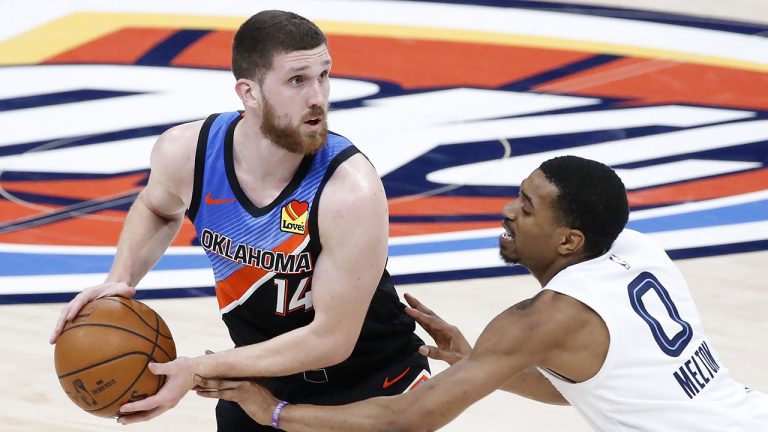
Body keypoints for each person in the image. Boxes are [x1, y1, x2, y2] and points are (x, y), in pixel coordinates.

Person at [49, 10, 429, 430]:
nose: (319, 96)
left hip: (370, 385)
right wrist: (120, 279)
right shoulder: (187, 154)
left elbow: (330, 340)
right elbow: (157, 207)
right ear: (248, 92)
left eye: (324, 75)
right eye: (298, 80)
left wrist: (197, 369)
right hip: (259, 379)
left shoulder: (350, 188)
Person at [194, 155, 768, 431]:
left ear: (569, 240)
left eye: (527, 207)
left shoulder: (544, 318)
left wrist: (275, 412)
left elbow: (408, 418)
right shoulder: (637, 249)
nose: (507, 212)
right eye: (518, 195)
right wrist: (476, 360)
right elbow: (589, 388)